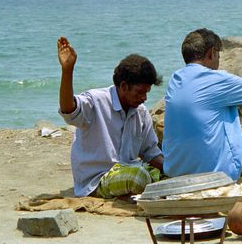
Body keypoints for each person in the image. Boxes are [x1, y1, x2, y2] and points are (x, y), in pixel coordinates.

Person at [163, 28, 242, 180]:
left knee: (221, 107)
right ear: (211, 53)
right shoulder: (216, 79)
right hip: (220, 171)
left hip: (177, 172)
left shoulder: (175, 80)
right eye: (218, 55)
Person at [57, 36, 163, 198]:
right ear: (123, 86)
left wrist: (173, 168)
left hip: (130, 169)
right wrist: (67, 70)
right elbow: (69, 110)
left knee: (171, 176)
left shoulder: (140, 112)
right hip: (98, 179)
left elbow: (150, 152)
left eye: (146, 93)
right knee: (137, 178)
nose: (144, 98)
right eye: (140, 93)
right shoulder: (95, 101)